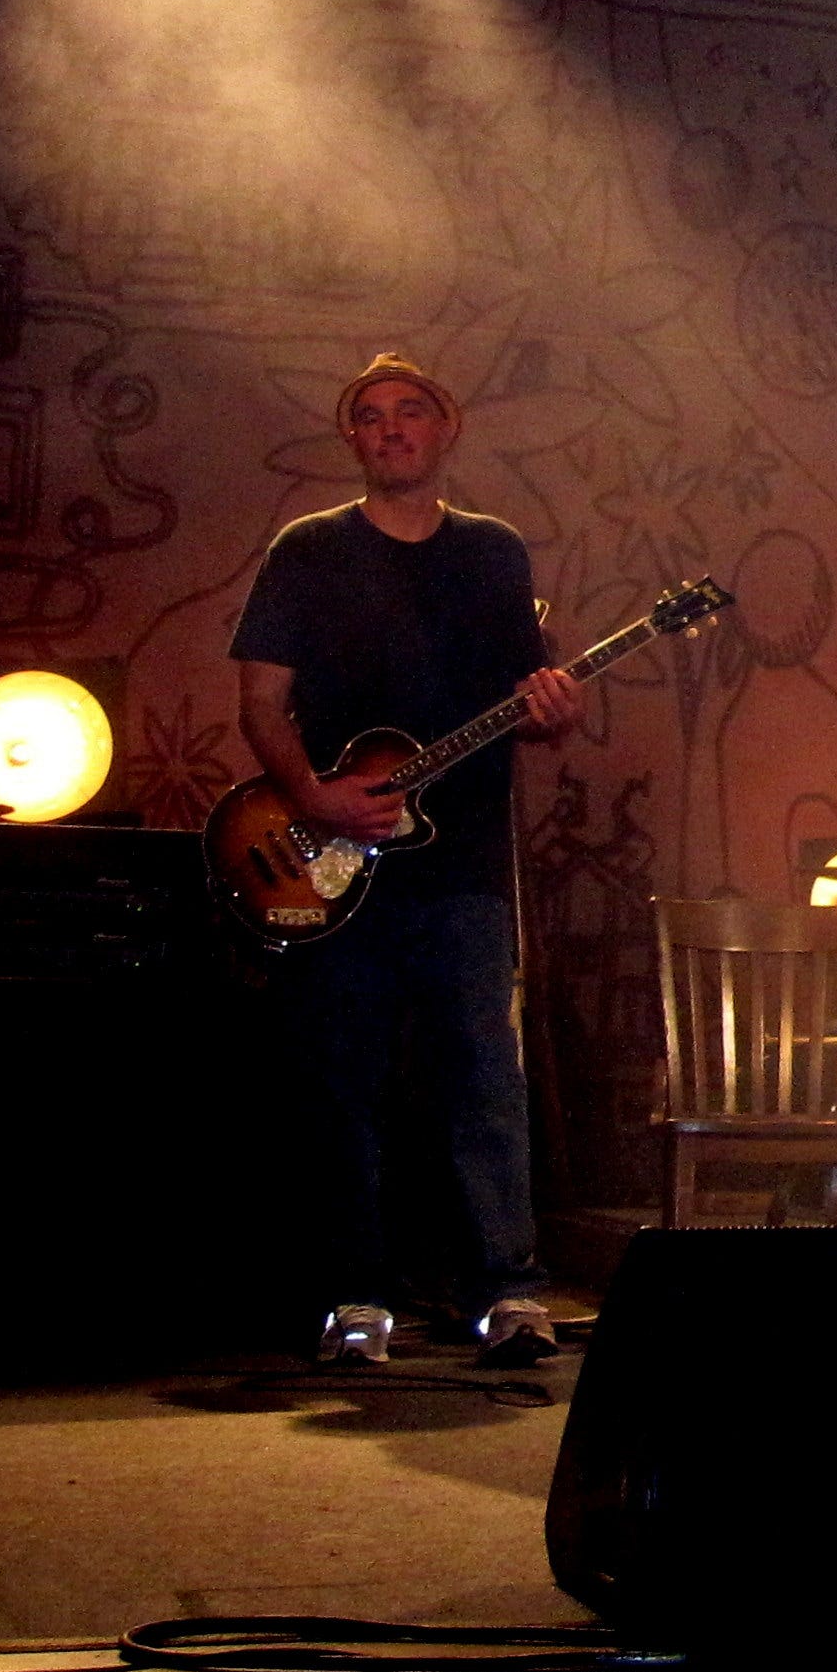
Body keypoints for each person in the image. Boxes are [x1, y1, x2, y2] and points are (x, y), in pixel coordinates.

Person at [232, 354, 583, 1367]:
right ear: (353, 439)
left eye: (410, 412)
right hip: (336, 864)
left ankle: (507, 1293)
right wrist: (316, 798)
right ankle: (355, 1298)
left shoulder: (493, 553)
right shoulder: (309, 550)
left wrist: (556, 712)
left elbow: (531, 704)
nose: (390, 428)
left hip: (464, 867)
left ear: (445, 428)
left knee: (483, 1079)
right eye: (371, 416)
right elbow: (260, 704)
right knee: (344, 1080)